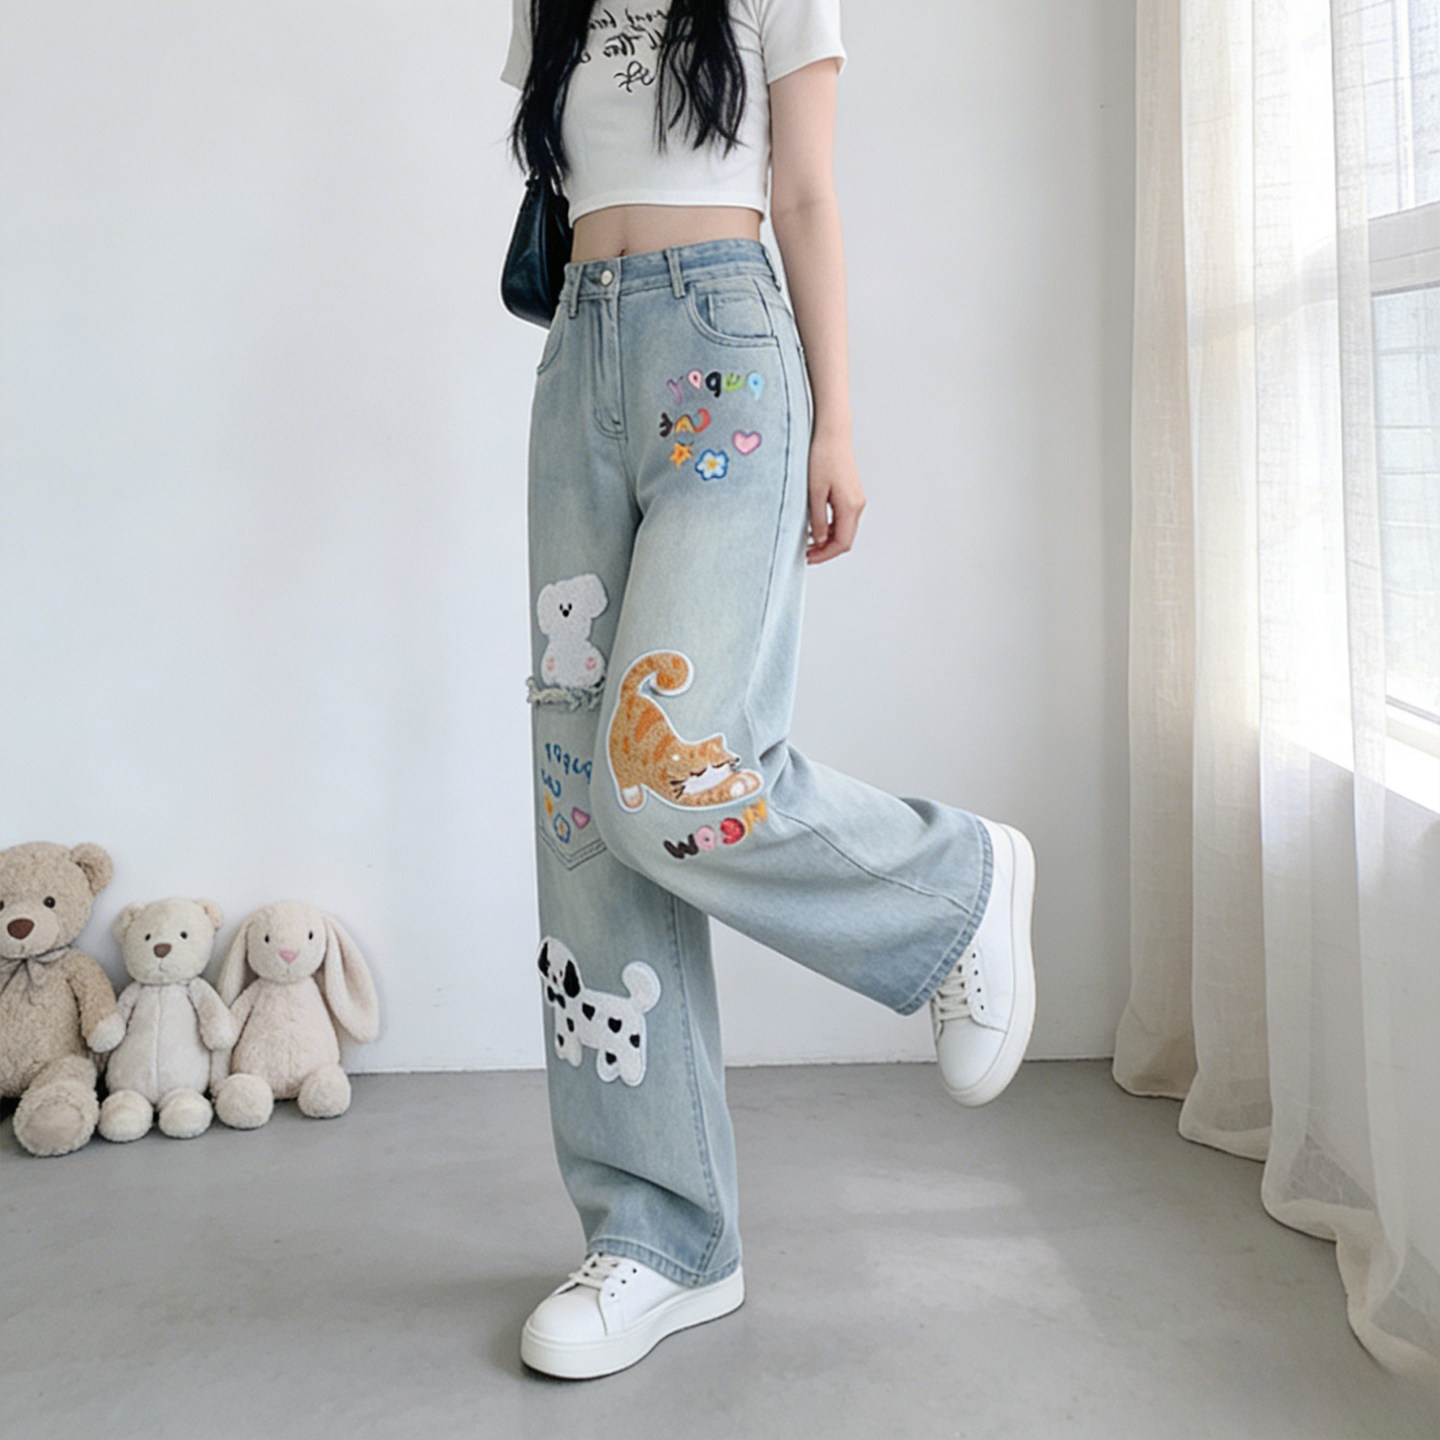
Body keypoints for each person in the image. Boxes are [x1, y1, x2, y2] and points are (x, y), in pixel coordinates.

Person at [501, 0, 1037, 1380]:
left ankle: (951, 885)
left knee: (664, 767)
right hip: (578, 361)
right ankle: (660, 1237)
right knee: (584, 814)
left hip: (723, 347)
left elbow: (802, 191)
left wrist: (838, 422)